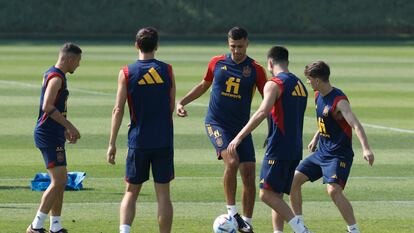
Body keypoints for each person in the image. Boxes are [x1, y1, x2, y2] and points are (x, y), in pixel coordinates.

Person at [176, 26, 267, 233]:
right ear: (228, 44)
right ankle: (232, 212)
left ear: (247, 43)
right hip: (216, 124)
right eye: (233, 46)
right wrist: (182, 102)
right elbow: (203, 85)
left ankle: (247, 223)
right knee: (232, 161)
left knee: (249, 173)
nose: (236, 51)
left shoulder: (256, 69)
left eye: (240, 47)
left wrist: (272, 127)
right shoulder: (217, 62)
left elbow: (268, 100)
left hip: (241, 128)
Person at [228, 46, 312, 233]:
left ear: (270, 63)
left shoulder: (274, 83)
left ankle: (301, 230)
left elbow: (262, 111)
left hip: (279, 146)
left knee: (265, 194)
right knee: (277, 195)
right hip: (294, 147)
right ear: (287, 62)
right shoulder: (300, 85)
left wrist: (239, 137)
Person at [290, 61, 375, 233]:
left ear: (318, 80)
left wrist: (366, 149)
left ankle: (353, 230)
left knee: (333, 191)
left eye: (309, 79)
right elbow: (324, 120)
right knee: (293, 180)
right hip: (322, 152)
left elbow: (356, 125)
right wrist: (316, 137)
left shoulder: (339, 101)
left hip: (338, 155)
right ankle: (299, 227)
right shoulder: (317, 95)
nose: (308, 82)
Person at [106, 27, 176, 233]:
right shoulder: (167, 70)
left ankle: (125, 231)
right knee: (163, 195)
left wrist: (111, 143)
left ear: (136, 45)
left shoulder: (126, 72)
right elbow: (170, 106)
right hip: (163, 139)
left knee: (131, 191)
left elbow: (118, 109)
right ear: (157, 46)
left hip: (139, 140)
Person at [28, 43, 82, 233]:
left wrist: (63, 129)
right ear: (67, 59)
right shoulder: (56, 77)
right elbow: (47, 106)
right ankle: (36, 226)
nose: (78, 65)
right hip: (47, 134)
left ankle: (55, 226)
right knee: (59, 181)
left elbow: (56, 108)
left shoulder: (56, 75)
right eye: (77, 61)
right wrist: (70, 126)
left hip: (54, 133)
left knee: (60, 179)